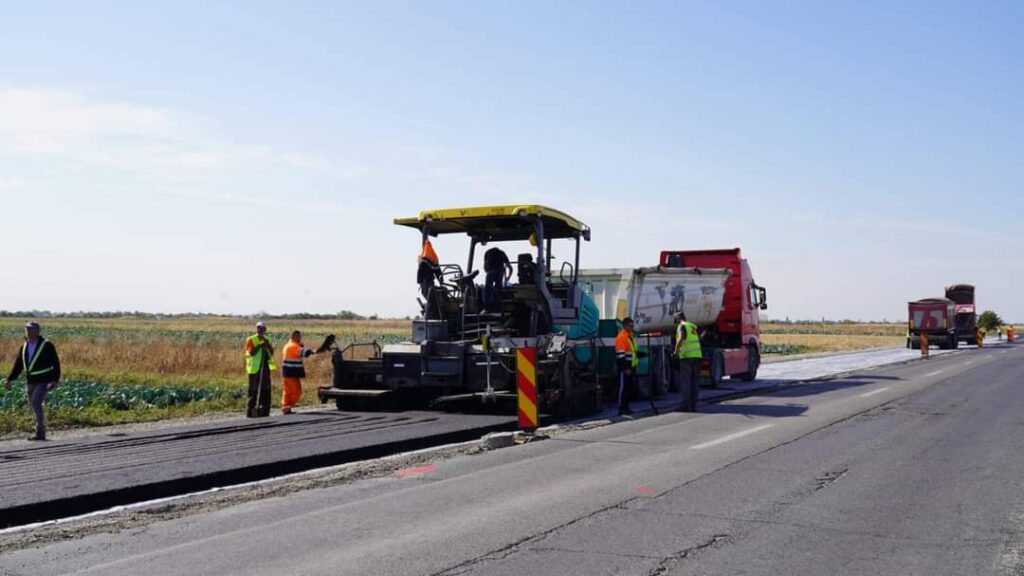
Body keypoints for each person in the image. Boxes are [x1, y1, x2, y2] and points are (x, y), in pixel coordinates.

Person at [3, 322, 61, 441]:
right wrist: (10, 379)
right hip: (30, 381)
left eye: (30, 330)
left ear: (37, 331)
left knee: (35, 403)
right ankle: (38, 431)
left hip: (44, 380)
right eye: (26, 330)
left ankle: (40, 431)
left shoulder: (46, 345)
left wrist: (55, 380)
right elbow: (18, 365)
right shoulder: (24, 346)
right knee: (32, 405)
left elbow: (55, 363)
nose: (28, 332)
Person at [245, 322, 276, 417]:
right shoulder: (251, 339)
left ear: (265, 329)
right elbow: (251, 353)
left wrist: (267, 345)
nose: (260, 330)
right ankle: (251, 410)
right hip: (254, 369)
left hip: (265, 367)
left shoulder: (268, 339)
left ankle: (265, 410)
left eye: (262, 328)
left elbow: (271, 352)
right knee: (253, 390)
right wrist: (259, 345)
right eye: (258, 328)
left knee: (265, 389)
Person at [280, 330, 316, 415]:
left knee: (287, 391)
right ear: (294, 337)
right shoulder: (293, 346)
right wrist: (314, 351)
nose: (300, 338)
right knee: (297, 391)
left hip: (287, 372)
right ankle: (287, 407)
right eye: (298, 336)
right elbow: (305, 352)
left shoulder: (288, 345)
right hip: (291, 372)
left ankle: (285, 407)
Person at [674, 312, 702, 412]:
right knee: (694, 383)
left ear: (678, 319)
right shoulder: (692, 326)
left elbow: (681, 338)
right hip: (696, 356)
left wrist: (676, 350)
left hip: (686, 357)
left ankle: (686, 406)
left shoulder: (681, 326)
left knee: (686, 382)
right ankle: (694, 405)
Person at [615, 317, 639, 416]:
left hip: (631, 366)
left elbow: (633, 352)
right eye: (630, 326)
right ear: (624, 326)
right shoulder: (622, 337)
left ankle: (626, 407)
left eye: (632, 326)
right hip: (625, 367)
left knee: (628, 388)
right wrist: (625, 368)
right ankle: (621, 409)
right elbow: (621, 355)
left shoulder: (630, 336)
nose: (632, 328)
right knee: (623, 388)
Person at [482, 245, 512, 312]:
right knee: (498, 288)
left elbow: (485, 267)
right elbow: (510, 267)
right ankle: (497, 307)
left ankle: (487, 307)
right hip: (499, 271)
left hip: (491, 271)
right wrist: (508, 277)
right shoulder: (502, 253)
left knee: (488, 288)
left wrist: (488, 272)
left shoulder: (488, 253)